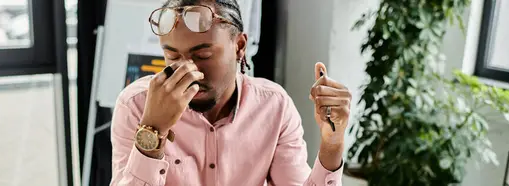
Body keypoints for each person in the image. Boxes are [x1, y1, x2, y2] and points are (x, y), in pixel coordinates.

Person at [110, 0, 351, 185]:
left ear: (239, 47)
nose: (187, 69)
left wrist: (332, 144)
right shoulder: (136, 105)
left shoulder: (274, 107)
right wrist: (153, 131)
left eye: (203, 55)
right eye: (172, 56)